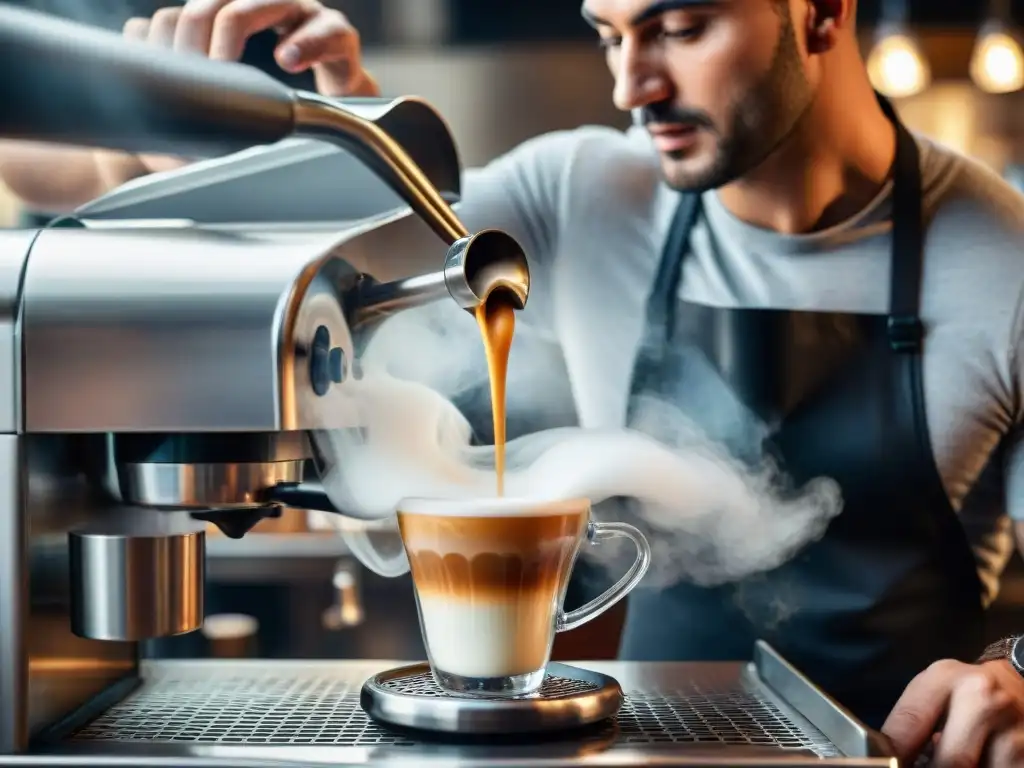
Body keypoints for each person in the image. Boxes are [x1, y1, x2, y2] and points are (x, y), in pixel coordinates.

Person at [4, 0, 1024, 764]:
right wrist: (280, 126)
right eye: (607, 31)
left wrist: (1014, 678)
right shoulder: (586, 189)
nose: (631, 86)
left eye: (676, 25)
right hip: (656, 752)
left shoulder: (1003, 263)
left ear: (824, 14)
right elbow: (300, 233)